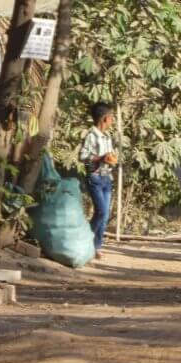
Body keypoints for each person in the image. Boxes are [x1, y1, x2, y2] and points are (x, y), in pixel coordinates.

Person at [79, 101, 118, 259]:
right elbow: (82, 157)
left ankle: (96, 246)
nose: (113, 120)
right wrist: (101, 158)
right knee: (101, 212)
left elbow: (109, 156)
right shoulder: (91, 136)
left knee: (105, 214)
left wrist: (111, 159)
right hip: (95, 177)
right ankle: (84, 240)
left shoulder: (107, 137)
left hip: (106, 177)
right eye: (111, 117)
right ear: (104, 119)